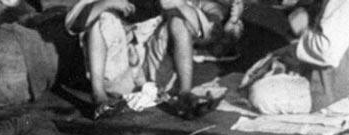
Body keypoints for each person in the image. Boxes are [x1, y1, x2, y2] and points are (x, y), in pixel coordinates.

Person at [64, 0, 244, 117]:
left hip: (155, 75)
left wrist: (179, 5)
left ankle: (184, 94)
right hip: (118, 77)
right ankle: (99, 97)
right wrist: (105, 4)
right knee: (101, 18)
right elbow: (73, 24)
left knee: (178, 20)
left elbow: (206, 35)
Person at [243, 0, 349, 115]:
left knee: (260, 94)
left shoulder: (345, 3)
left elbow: (328, 52)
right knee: (276, 58)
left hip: (346, 93)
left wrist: (302, 29)